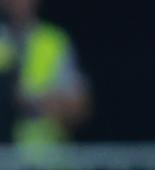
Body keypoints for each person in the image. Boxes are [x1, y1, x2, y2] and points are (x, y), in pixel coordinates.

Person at [2, 0, 90, 149]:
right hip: (4, 163)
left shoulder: (53, 41)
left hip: (46, 163)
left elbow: (81, 107)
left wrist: (33, 102)